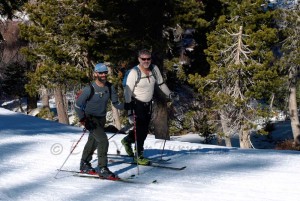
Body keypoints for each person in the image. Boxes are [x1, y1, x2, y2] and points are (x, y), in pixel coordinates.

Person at [122, 49, 176, 165]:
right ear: (139, 59)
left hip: (148, 104)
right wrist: (130, 111)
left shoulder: (154, 69)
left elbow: (161, 84)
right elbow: (127, 92)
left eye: (148, 59)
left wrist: (170, 94)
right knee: (141, 131)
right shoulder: (134, 72)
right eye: (143, 59)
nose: (146, 61)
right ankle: (139, 155)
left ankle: (127, 140)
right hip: (136, 104)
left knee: (144, 130)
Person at [75, 63, 123, 179]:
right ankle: (102, 168)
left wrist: (129, 106)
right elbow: (77, 106)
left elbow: (116, 103)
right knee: (103, 140)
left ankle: (84, 163)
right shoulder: (89, 89)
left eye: (105, 72)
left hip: (101, 118)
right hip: (90, 118)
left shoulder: (110, 87)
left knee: (94, 141)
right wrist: (83, 119)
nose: (103, 75)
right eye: (100, 73)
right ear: (95, 74)